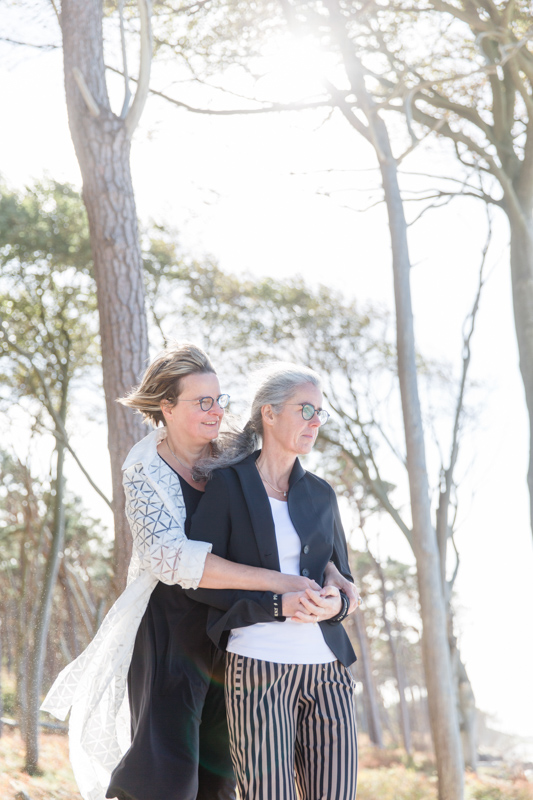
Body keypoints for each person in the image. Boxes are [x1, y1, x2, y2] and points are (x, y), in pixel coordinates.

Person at [41, 343, 354, 800]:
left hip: (234, 623)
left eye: (220, 399)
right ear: (166, 407)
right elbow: (170, 559)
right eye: (202, 401)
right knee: (167, 768)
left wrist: (328, 569)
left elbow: (285, 515)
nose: (215, 411)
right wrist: (278, 582)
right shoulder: (146, 468)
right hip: (172, 625)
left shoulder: (231, 453)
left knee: (219, 773)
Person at [185, 363, 360, 800]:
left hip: (328, 670)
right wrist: (276, 605)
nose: (315, 421)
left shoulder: (322, 494)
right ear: (269, 412)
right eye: (306, 410)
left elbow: (343, 582)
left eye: (320, 412)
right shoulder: (226, 485)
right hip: (258, 666)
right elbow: (198, 579)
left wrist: (336, 605)